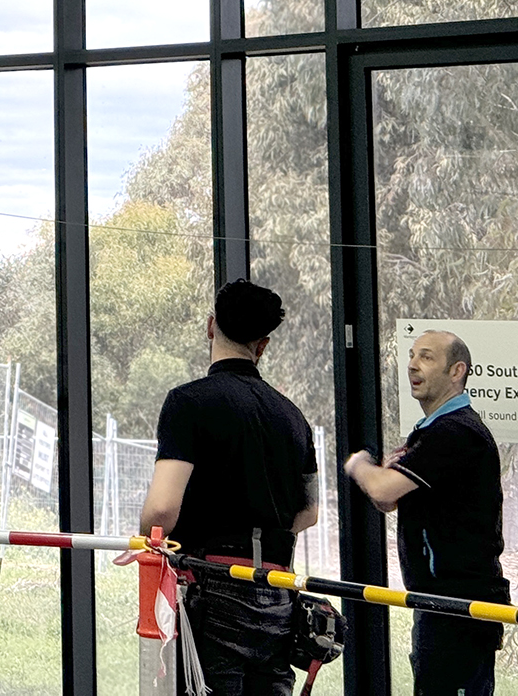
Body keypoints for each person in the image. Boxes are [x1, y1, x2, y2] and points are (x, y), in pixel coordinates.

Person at [139, 279, 318, 696]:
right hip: (277, 594)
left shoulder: (189, 402)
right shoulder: (293, 417)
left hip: (209, 588)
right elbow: (309, 513)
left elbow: (162, 508)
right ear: (263, 345)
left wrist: (145, 537)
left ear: (210, 325)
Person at [345, 329, 508, 696]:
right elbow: (388, 500)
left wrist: (359, 465)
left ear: (457, 371)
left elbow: (382, 488)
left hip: (460, 609)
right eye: (412, 355)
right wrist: (384, 477)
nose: (413, 365)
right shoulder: (431, 432)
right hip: (438, 607)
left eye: (427, 357)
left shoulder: (456, 431)